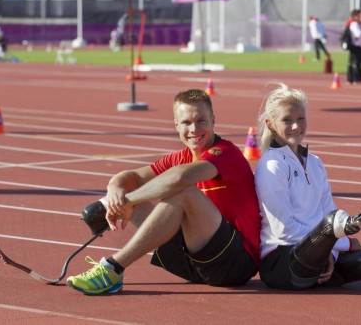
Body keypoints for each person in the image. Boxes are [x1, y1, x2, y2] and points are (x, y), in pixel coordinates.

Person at [67, 88, 261, 295]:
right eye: (186, 122)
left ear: (213, 120)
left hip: (234, 264)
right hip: (194, 263)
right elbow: (129, 177)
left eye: (201, 121)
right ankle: (112, 272)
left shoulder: (225, 153)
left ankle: (113, 268)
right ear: (176, 125)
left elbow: (180, 178)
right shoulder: (178, 157)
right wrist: (114, 191)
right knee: (135, 189)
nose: (194, 128)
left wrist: (127, 201)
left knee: (182, 192)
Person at [254, 84, 361, 290]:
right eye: (287, 120)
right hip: (282, 260)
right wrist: (340, 244)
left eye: (300, 118)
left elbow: (329, 212)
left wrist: (329, 251)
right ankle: (324, 270)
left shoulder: (314, 162)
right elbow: (285, 231)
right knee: (350, 245)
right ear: (270, 124)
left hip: (316, 252)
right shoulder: (272, 165)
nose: (296, 126)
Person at [346, 9, 361, 84]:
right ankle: (352, 78)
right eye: (359, 15)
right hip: (355, 46)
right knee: (354, 63)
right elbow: (358, 34)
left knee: (360, 63)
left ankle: (358, 78)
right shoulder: (354, 24)